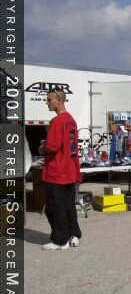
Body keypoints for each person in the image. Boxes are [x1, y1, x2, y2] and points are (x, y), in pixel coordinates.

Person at [40, 88, 82, 250]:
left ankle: (60, 240)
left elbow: (52, 146)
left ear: (59, 100)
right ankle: (73, 235)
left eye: (50, 100)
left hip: (56, 171)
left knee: (53, 207)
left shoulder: (57, 121)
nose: (47, 103)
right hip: (69, 169)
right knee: (68, 205)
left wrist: (42, 147)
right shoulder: (71, 120)